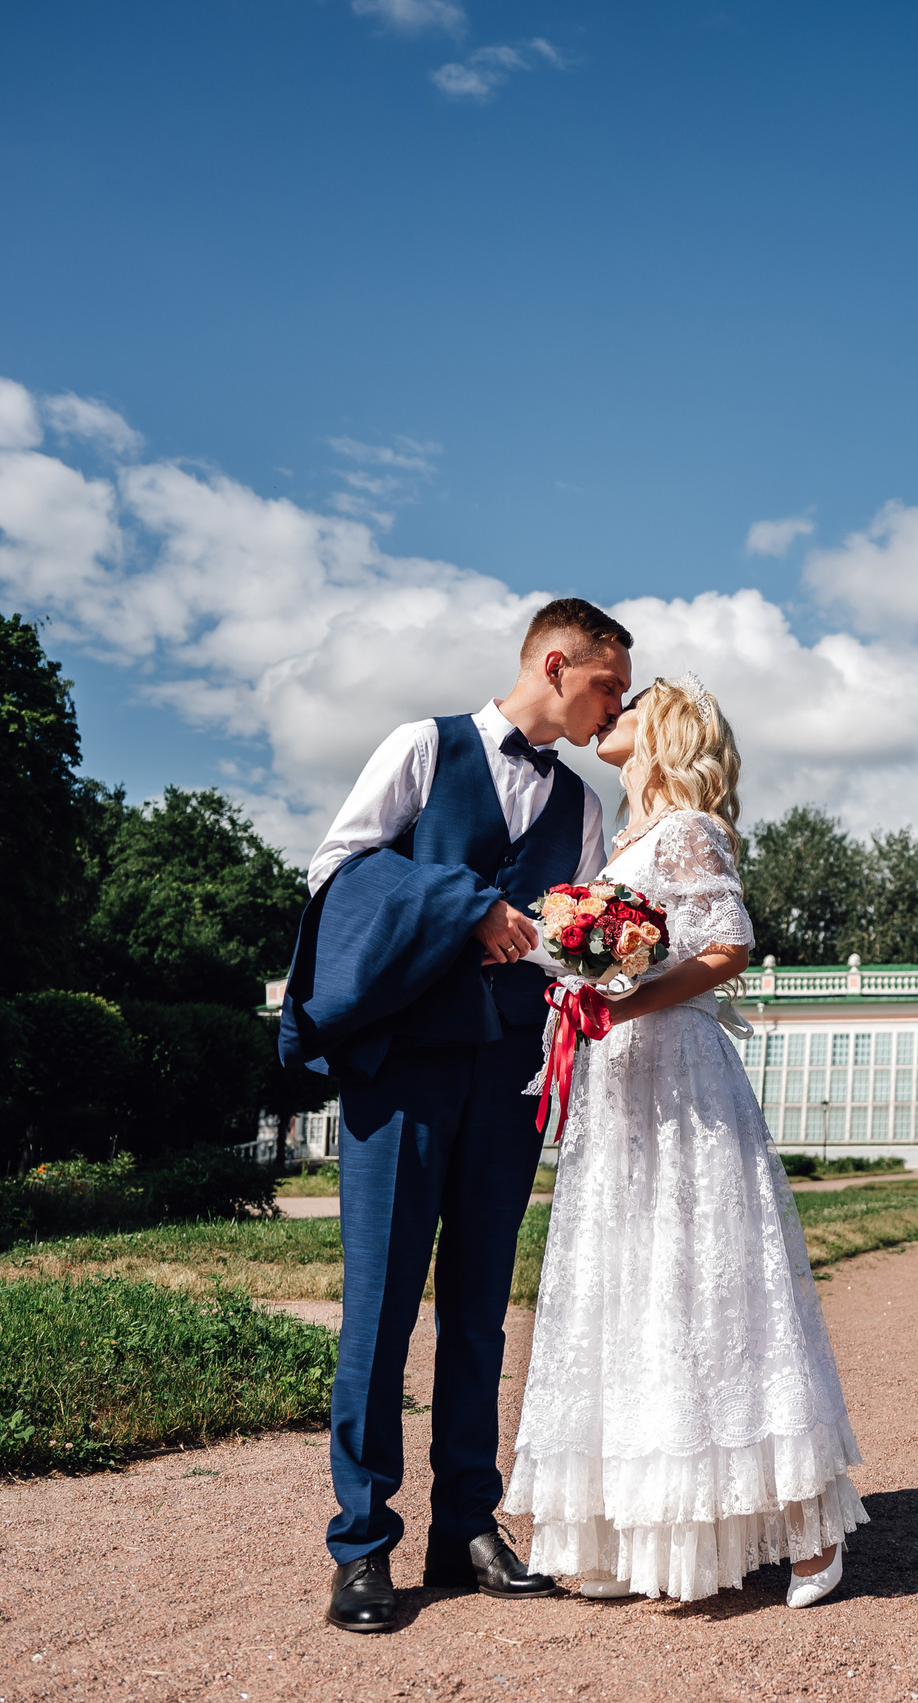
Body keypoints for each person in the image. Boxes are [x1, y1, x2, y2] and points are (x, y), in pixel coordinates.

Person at [281, 599, 631, 1634]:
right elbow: (333, 869)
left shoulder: (583, 805)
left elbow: (575, 938)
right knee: (380, 1307)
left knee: (479, 1307)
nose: (613, 710)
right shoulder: (420, 747)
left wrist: (609, 947)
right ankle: (361, 1544)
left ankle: (467, 1524)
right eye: (606, 686)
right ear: (557, 664)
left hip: (510, 1071)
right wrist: (459, 902)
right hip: (404, 1070)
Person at [503, 674, 865, 1607]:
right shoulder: (618, 836)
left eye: (630, 708)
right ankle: (651, 1537)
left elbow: (727, 944)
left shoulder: (690, 828)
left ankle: (812, 1529)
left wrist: (624, 999)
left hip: (679, 1075)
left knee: (716, 1283)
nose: (610, 719)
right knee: (635, 1291)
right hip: (620, 1086)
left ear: (664, 730)